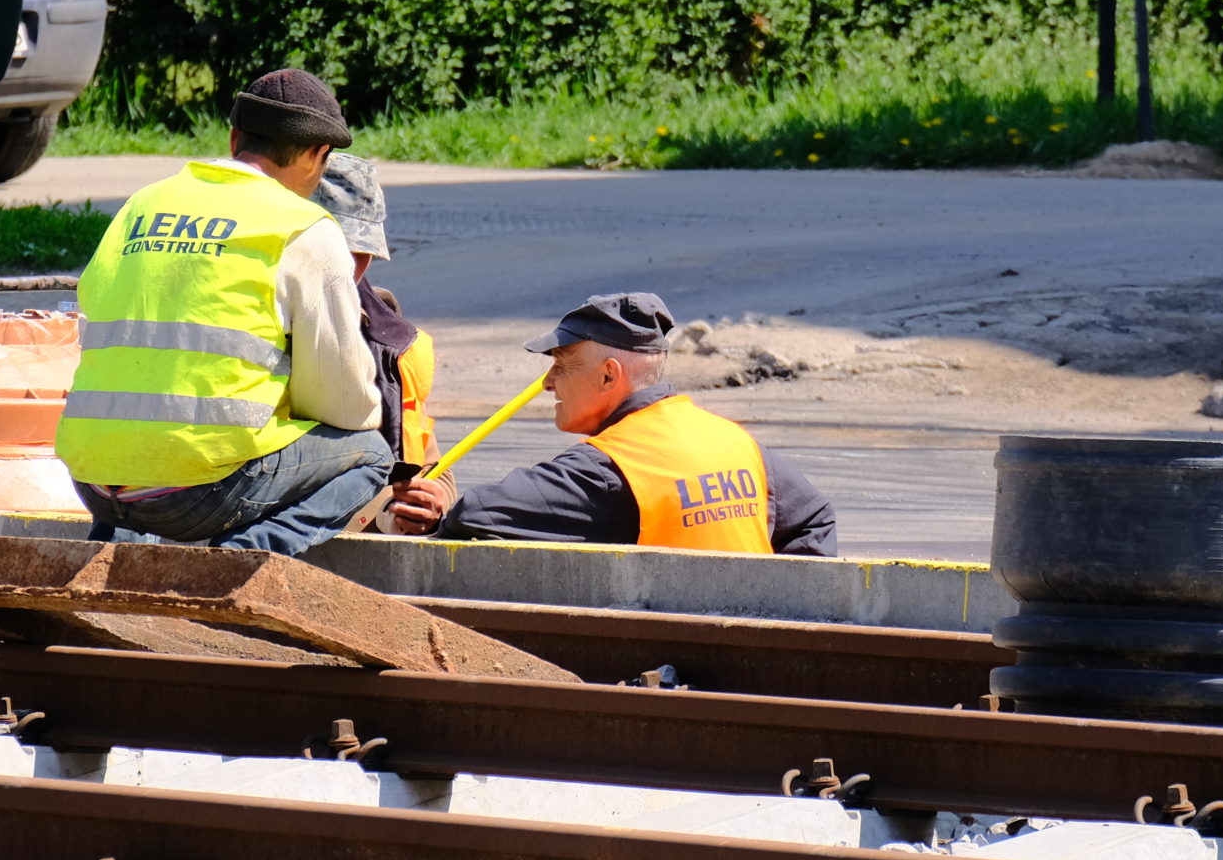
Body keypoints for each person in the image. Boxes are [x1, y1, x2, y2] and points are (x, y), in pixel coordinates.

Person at [55, 69, 388, 554]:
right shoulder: (304, 227)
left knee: (151, 450)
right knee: (371, 455)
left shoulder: (141, 205)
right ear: (318, 155)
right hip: (201, 495)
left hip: (92, 480)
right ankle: (238, 560)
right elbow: (343, 403)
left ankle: (115, 551)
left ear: (234, 139)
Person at [389, 292, 836, 554]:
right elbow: (814, 518)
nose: (548, 383)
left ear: (608, 375)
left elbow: (477, 515)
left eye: (561, 365)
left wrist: (440, 514)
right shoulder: (737, 443)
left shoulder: (606, 469)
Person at [313, 151, 442, 471]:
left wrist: (434, 492)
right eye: (336, 248)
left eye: (362, 250)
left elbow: (431, 464)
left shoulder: (394, 345)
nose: (349, 264)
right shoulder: (252, 322)